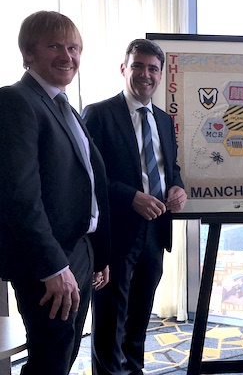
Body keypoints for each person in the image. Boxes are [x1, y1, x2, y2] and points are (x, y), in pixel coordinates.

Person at [0, 11, 111, 375]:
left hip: (78, 250)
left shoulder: (64, 106)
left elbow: (87, 182)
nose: (67, 56)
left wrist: (96, 254)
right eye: (54, 46)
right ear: (28, 53)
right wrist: (53, 265)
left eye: (73, 48)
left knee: (65, 350)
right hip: (48, 259)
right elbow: (19, 197)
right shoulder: (16, 101)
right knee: (50, 358)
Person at [83, 38, 187, 375]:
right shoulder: (99, 114)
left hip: (155, 231)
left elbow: (171, 169)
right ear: (123, 69)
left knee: (140, 318)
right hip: (115, 234)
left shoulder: (164, 120)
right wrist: (131, 197)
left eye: (153, 69)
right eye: (138, 66)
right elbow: (87, 178)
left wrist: (178, 188)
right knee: (110, 320)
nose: (146, 74)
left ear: (160, 75)